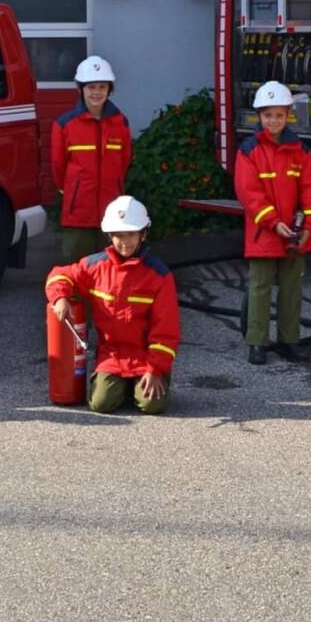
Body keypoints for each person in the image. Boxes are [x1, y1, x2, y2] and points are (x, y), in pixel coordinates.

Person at [46, 196, 181, 414]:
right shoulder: (95, 266)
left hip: (145, 358)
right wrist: (59, 297)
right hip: (111, 356)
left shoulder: (159, 275)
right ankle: (123, 387)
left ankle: (148, 383)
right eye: (118, 235)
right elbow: (59, 274)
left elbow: (166, 330)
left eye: (130, 234)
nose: (124, 241)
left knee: (152, 405)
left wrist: (156, 369)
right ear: (109, 235)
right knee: (101, 404)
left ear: (143, 234)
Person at [235, 80, 311, 366]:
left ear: (288, 115)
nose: (273, 121)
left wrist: (308, 226)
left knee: (291, 288)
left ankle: (289, 340)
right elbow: (249, 193)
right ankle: (257, 342)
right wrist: (274, 223)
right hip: (265, 233)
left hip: (295, 234)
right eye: (268, 115)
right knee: (260, 288)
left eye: (279, 115)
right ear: (259, 116)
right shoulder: (249, 150)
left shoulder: (299, 151)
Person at [50, 55, 132, 260]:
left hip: (112, 210)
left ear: (109, 90)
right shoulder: (65, 125)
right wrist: (73, 191)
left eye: (102, 87)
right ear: (80, 90)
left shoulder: (120, 122)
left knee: (112, 267)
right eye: (91, 87)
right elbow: (57, 166)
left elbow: (125, 161)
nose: (96, 92)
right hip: (78, 212)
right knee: (77, 266)